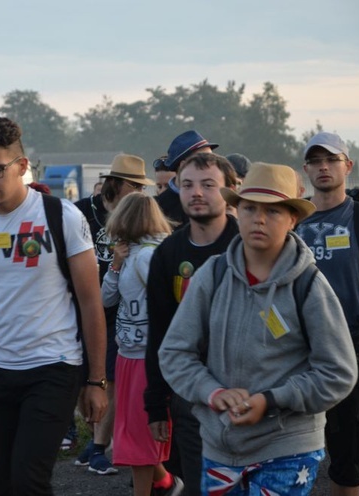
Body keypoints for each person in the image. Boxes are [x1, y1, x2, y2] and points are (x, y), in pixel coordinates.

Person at [159, 162, 358, 494]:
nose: (259, 219)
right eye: (249, 208)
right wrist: (213, 392)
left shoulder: (309, 285)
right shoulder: (213, 274)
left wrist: (272, 400)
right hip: (220, 446)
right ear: (237, 211)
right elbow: (174, 353)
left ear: (293, 219)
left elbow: (338, 372)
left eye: (273, 211)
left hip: (288, 448)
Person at [0, 117, 107, 495]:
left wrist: (96, 380)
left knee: (29, 480)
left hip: (54, 367)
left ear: (21, 165)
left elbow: (90, 301)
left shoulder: (59, 215)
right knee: (6, 482)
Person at [295, 132, 359, 496]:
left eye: (331, 160)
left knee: (348, 455)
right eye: (316, 161)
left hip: (348, 346)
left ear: (347, 166)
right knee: (288, 448)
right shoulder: (292, 218)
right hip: (295, 348)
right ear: (305, 170)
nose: (323, 167)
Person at [144, 152, 238, 495]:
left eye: (208, 185)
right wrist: (156, 404)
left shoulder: (248, 244)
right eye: (187, 185)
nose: (196, 192)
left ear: (229, 191)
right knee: (202, 487)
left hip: (251, 394)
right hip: (192, 398)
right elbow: (160, 332)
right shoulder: (167, 254)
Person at [73, 154, 155, 475]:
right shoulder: (80, 211)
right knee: (83, 382)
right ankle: (94, 440)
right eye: (135, 185)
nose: (140, 192)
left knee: (110, 379)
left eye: (142, 187)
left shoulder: (135, 215)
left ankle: (98, 447)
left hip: (119, 307)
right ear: (116, 184)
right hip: (82, 303)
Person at [100, 192, 182, 495]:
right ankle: (166, 481)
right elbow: (105, 299)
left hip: (146, 355)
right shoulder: (132, 254)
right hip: (129, 353)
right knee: (134, 432)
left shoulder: (148, 255)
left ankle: (158, 485)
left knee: (138, 436)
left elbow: (168, 302)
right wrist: (116, 265)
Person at [155, 131, 219, 226]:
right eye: (205, 159)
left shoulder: (219, 197)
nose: (213, 164)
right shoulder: (157, 208)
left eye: (213, 158)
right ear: (183, 165)